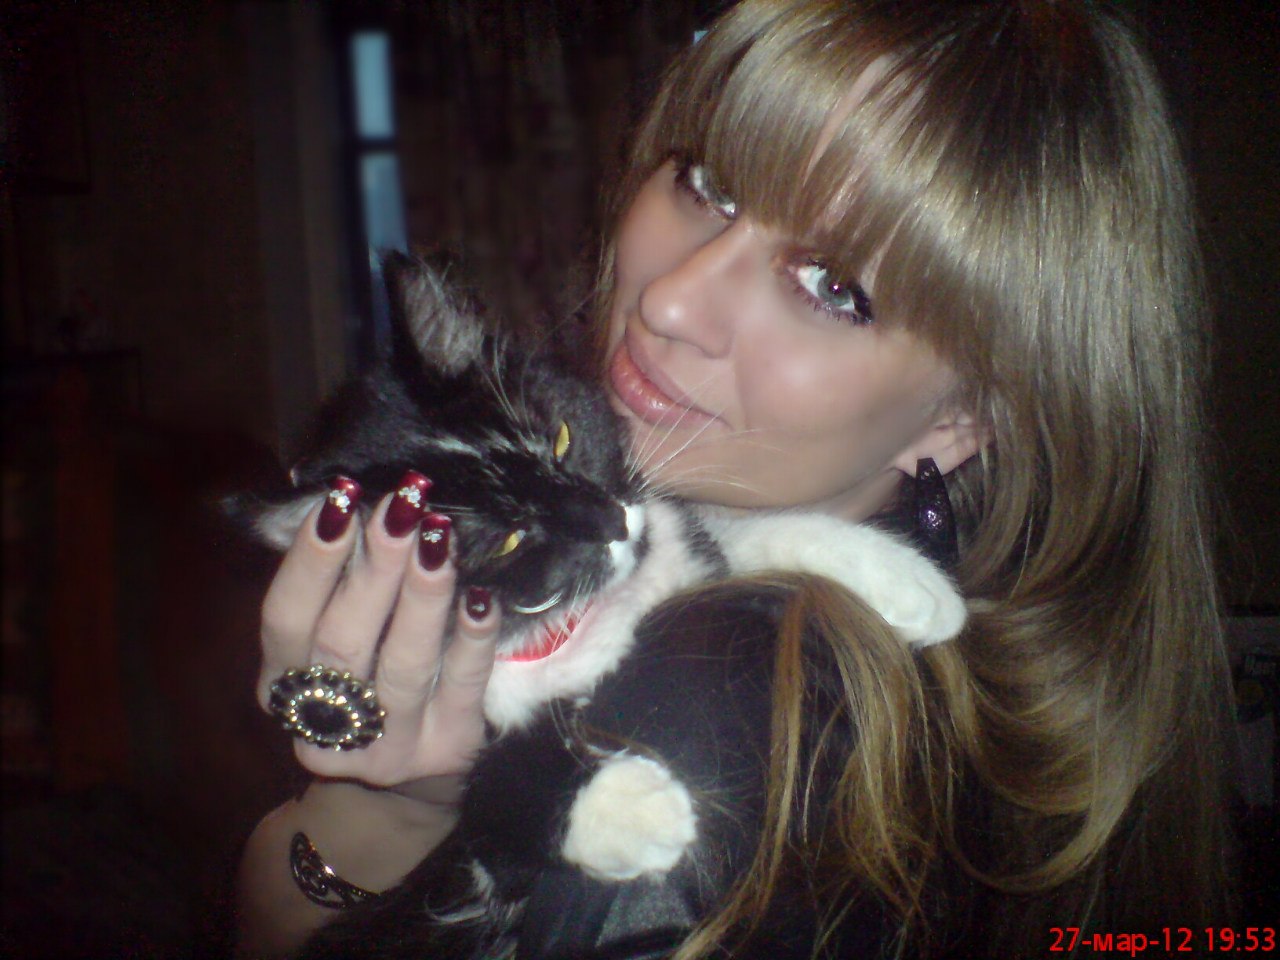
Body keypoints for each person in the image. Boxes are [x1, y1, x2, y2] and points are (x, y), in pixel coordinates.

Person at [235, 0, 1234, 956]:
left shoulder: (711, 717)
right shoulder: (987, 641)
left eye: (832, 286)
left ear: (960, 419)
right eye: (709, 183)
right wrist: (404, 802)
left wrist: (358, 831)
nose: (669, 300)